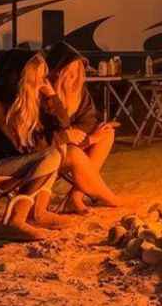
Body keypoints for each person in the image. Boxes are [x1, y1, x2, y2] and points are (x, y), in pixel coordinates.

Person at [0, 50, 70, 241]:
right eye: (37, 76)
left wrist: (52, 97)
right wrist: (50, 140)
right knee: (51, 155)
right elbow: (15, 147)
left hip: (5, 159)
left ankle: (38, 212)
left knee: (58, 147)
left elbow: (63, 124)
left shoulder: (26, 100)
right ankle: (14, 221)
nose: (42, 81)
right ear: (22, 77)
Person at [43, 42, 121, 214]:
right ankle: (107, 196)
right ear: (56, 72)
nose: (73, 78)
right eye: (69, 73)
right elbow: (57, 127)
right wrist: (54, 98)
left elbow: (88, 119)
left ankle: (75, 196)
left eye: (77, 72)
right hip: (50, 147)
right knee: (75, 152)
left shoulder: (78, 91)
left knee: (107, 134)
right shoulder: (44, 94)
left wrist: (91, 136)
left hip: (72, 142)